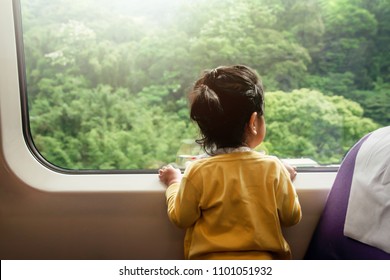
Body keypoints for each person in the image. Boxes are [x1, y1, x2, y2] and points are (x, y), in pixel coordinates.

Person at [158, 65, 302, 260]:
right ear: (253, 122)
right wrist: (285, 178)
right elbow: (291, 217)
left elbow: (181, 218)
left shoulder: (198, 171)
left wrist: (174, 182)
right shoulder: (273, 168)